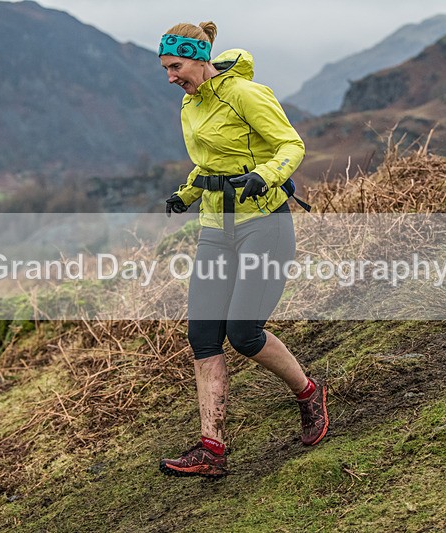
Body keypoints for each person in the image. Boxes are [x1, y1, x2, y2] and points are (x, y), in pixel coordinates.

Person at [158, 21, 328, 479]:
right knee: (203, 336)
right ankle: (212, 448)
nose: (170, 77)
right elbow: (207, 164)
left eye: (175, 67)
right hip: (216, 226)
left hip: (263, 224)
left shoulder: (246, 94)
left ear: (198, 57)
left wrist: (265, 176)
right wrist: (186, 193)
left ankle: (309, 392)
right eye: (165, 69)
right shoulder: (188, 104)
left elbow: (291, 145)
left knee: (244, 333)